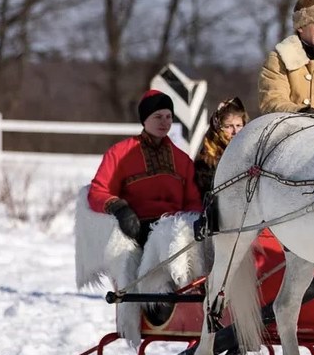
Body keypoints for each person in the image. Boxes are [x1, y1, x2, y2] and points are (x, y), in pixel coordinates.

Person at [88, 89, 203, 248]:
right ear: (145, 119)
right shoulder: (119, 153)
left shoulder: (183, 160)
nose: (164, 122)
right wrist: (119, 209)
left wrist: (191, 224)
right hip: (135, 230)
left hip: (174, 232)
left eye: (168, 117)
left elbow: (193, 202)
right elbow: (97, 192)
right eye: (158, 117)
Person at [194, 97, 249, 197]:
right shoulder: (206, 161)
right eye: (228, 126)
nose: (235, 132)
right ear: (217, 128)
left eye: (239, 125)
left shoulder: (251, 154)